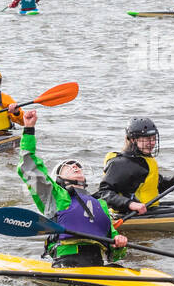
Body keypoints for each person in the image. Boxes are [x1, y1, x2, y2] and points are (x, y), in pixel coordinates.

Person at [16, 111, 127, 267]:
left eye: (78, 165)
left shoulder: (100, 204)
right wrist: (28, 130)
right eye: (67, 166)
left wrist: (119, 244)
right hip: (66, 261)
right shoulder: (53, 195)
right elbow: (28, 167)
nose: (75, 166)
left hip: (99, 263)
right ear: (58, 178)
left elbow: (114, 256)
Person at [95, 118, 174, 216]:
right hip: (129, 213)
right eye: (146, 139)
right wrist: (130, 204)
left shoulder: (143, 159)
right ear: (133, 140)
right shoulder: (121, 163)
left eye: (153, 138)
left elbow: (154, 185)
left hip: (148, 209)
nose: (152, 143)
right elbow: (104, 192)